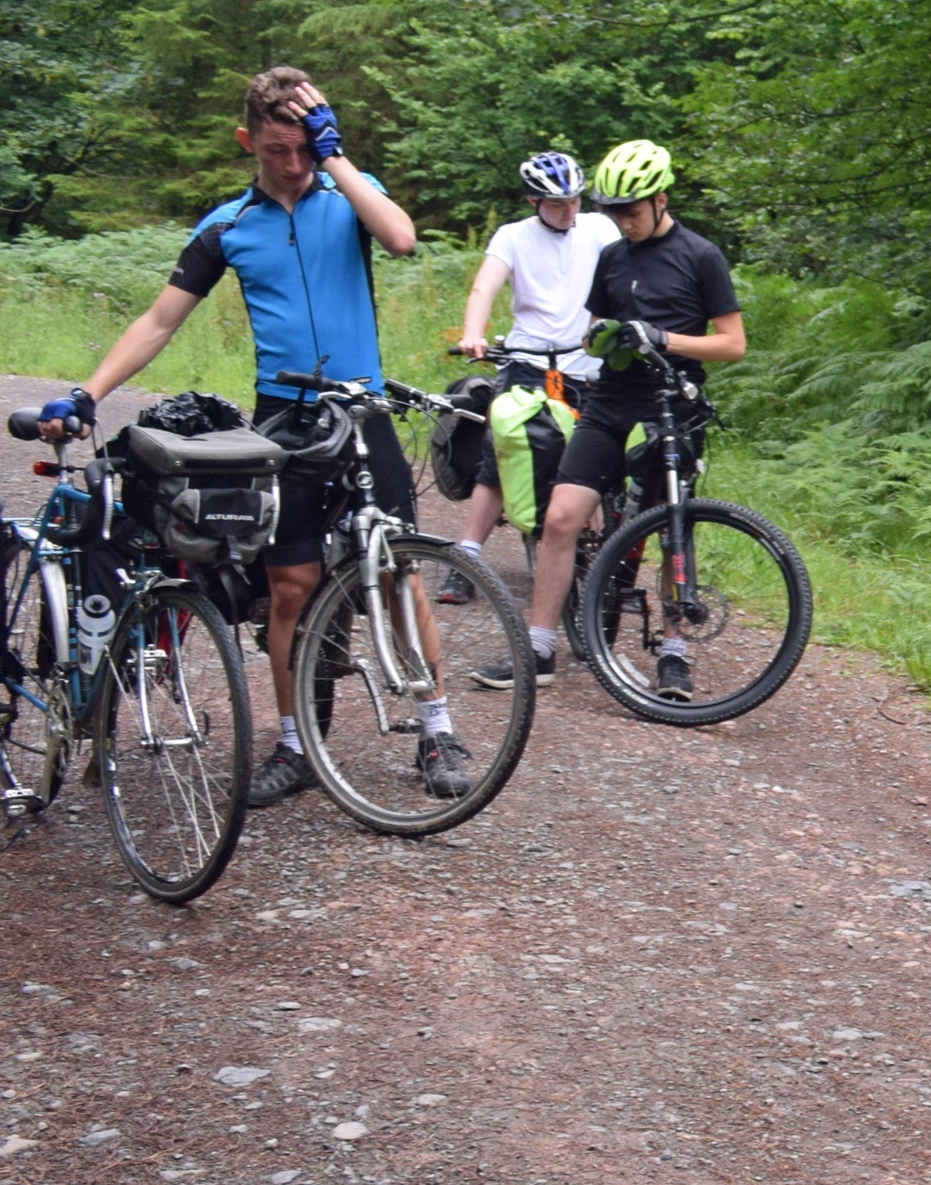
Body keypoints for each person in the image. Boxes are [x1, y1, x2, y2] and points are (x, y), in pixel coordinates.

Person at [34, 67, 474, 805]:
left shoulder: (342, 192)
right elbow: (160, 320)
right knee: (289, 588)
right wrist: (88, 392)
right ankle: (296, 743)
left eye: (303, 147)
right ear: (248, 142)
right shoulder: (229, 225)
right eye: (276, 150)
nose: (293, 163)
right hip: (284, 420)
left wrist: (337, 154)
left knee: (400, 574)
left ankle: (436, 730)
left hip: (361, 409)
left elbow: (400, 238)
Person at [492, 139, 742, 700]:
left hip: (672, 401)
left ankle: (674, 655)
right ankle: (538, 646)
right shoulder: (612, 255)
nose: (621, 223)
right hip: (611, 399)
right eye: (613, 213)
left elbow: (733, 344)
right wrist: (602, 338)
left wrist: (664, 338)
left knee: (670, 525)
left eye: (630, 212)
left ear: (661, 199)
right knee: (561, 517)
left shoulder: (701, 256)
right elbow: (592, 329)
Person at [435, 151, 620, 619]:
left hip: (586, 366)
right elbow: (485, 287)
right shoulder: (513, 236)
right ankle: (466, 559)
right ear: (534, 200)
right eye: (557, 203)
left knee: (594, 461)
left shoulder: (599, 229)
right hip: (528, 363)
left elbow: (624, 275)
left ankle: (596, 562)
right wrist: (473, 333)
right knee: (502, 455)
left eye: (575, 200)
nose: (569, 210)